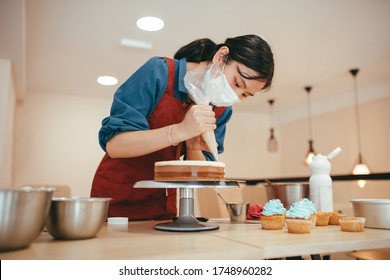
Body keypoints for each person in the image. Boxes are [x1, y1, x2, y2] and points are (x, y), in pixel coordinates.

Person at [90, 34, 274, 220]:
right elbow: (115, 145)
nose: (235, 96)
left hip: (164, 204)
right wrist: (179, 131)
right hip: (118, 197)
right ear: (221, 56)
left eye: (245, 95)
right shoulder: (159, 72)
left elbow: (205, 173)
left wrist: (193, 146)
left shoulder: (221, 110)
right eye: (237, 83)